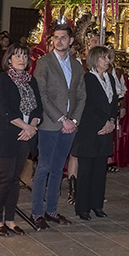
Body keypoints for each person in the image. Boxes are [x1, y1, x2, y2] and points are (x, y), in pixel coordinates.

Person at [32, 24, 86, 230]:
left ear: (71, 41)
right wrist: (62, 119)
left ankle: (51, 210)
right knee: (44, 168)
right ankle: (37, 212)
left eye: (63, 37)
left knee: (57, 169)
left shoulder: (77, 65)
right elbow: (42, 95)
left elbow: (81, 95)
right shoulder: (44, 63)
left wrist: (74, 121)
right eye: (56, 37)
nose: (59, 41)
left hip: (70, 126)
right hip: (50, 124)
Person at [0, 44, 42, 237]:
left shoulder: (31, 81)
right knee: (5, 179)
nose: (21, 59)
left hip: (26, 136)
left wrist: (32, 127)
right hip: (8, 135)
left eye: (24, 56)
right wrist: (26, 127)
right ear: (9, 59)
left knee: (15, 180)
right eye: (16, 56)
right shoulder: (2, 80)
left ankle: (10, 220)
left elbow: (38, 110)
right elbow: (5, 110)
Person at [71, 46, 117, 221]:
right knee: (86, 171)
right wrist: (103, 122)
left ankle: (97, 204)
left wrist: (112, 121)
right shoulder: (88, 79)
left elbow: (113, 104)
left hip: (105, 130)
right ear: (94, 60)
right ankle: (82, 207)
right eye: (103, 58)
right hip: (90, 131)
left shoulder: (110, 79)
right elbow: (88, 106)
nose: (107, 61)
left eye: (108, 58)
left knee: (99, 170)